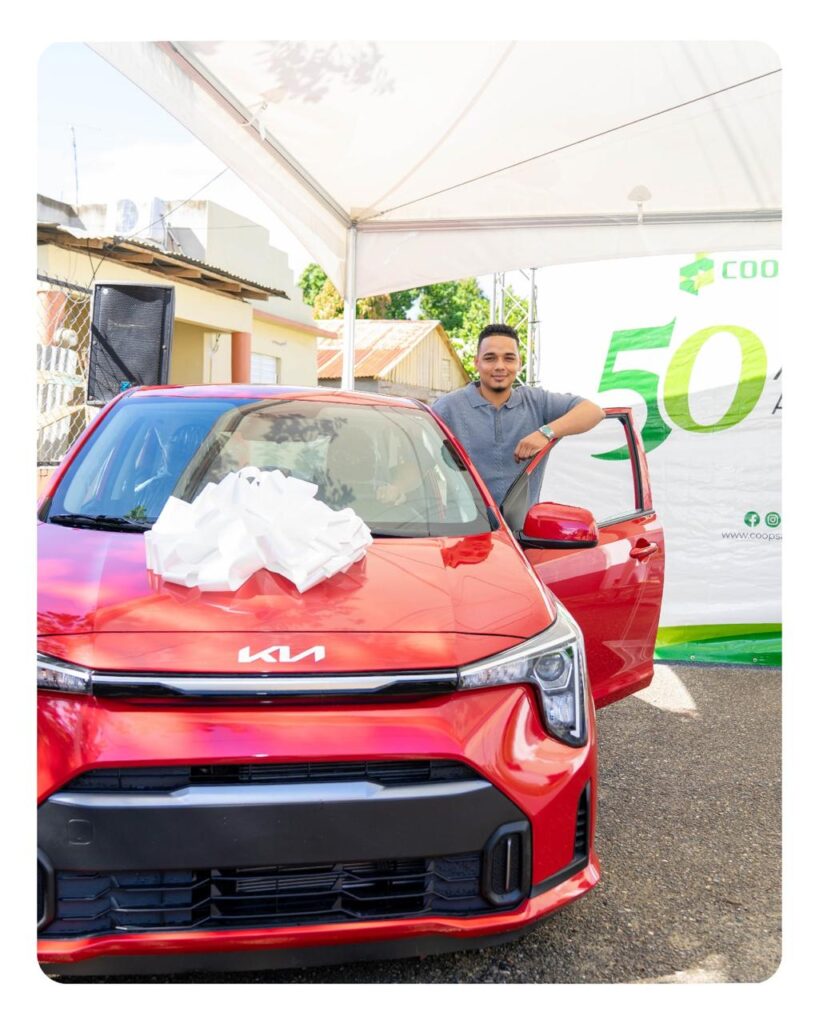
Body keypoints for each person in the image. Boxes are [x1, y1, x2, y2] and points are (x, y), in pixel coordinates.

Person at [432, 323, 604, 507]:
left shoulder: (536, 401)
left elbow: (594, 411)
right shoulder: (447, 407)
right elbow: (419, 462)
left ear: (519, 363)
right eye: (490, 358)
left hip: (523, 532)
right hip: (466, 530)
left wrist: (545, 433)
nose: (500, 366)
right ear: (477, 363)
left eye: (509, 358)